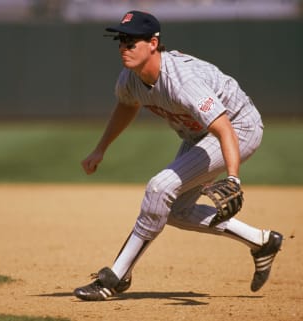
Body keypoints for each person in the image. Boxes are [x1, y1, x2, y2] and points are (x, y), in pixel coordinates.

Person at [74, 10, 283, 301]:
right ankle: (262, 242)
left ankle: (115, 277)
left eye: (132, 41)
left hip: (238, 127)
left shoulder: (183, 81)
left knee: (160, 188)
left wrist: (233, 179)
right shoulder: (131, 78)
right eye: (121, 40)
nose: (124, 47)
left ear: (153, 43)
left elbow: (224, 128)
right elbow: (126, 105)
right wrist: (101, 148)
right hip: (199, 134)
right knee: (174, 210)